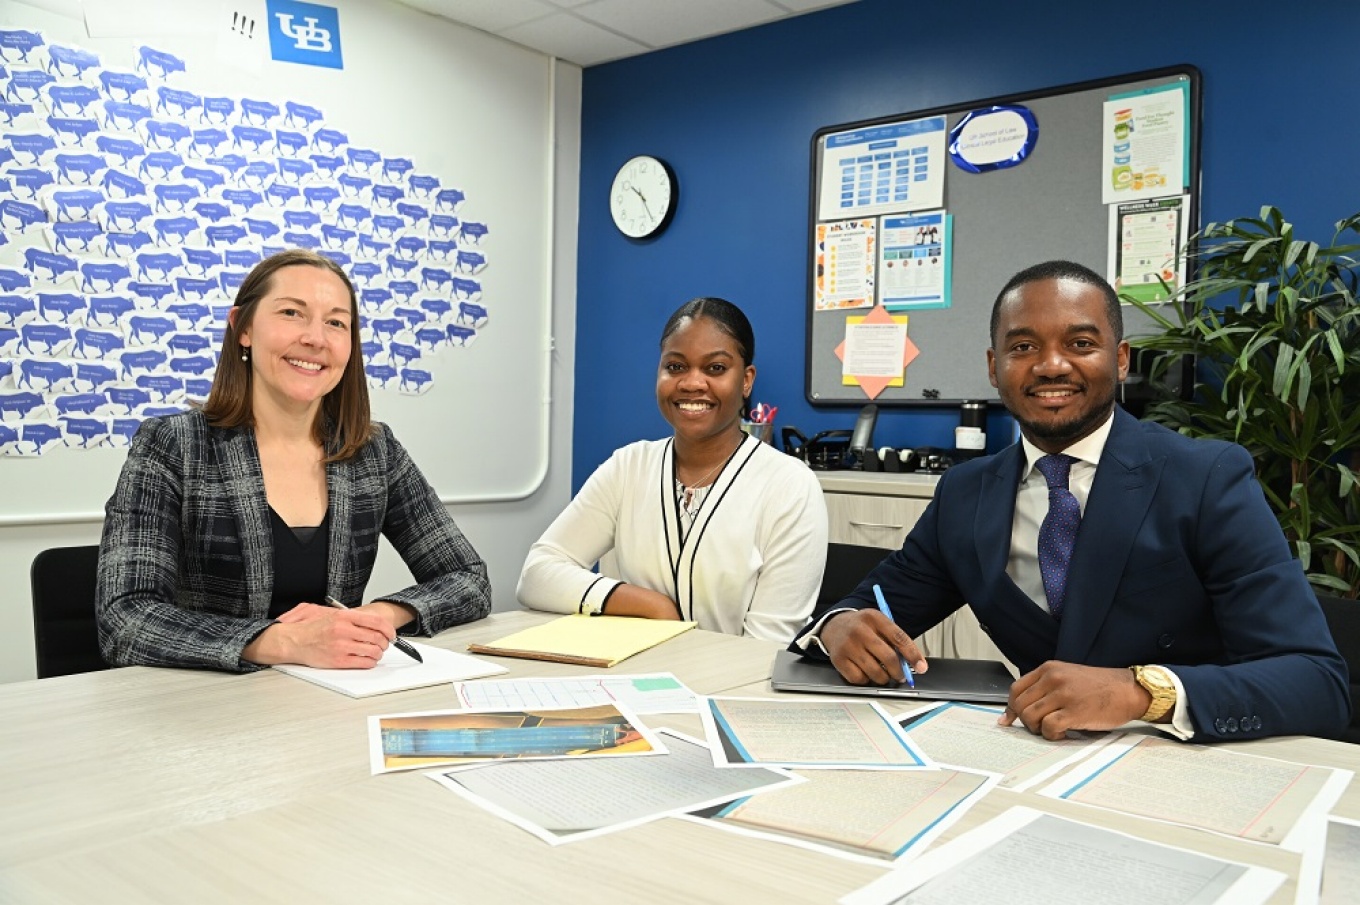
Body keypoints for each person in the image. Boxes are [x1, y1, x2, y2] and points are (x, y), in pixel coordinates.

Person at [793, 260, 1350, 741]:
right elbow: (868, 609)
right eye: (1023, 347)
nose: (1051, 365)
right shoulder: (966, 493)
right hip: (1037, 760)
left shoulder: (1204, 477)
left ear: (1122, 359)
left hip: (1184, 760)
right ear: (994, 367)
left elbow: (1316, 681)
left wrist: (1141, 692)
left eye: (1080, 344)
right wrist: (838, 626)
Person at [97, 249, 492, 672]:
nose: (316, 338)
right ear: (242, 328)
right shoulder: (174, 445)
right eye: (292, 313)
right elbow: (125, 618)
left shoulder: (374, 452)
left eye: (336, 322)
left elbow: (469, 579)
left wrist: (379, 616)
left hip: (331, 699)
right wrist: (283, 641)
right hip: (203, 708)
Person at [518, 296, 827, 643]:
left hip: (732, 688)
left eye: (715, 369)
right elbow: (537, 574)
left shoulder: (788, 485)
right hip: (636, 681)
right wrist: (651, 606)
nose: (692, 383)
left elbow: (767, 648)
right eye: (676, 367)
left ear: (746, 380)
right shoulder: (629, 467)